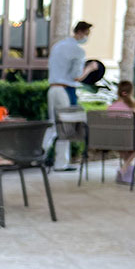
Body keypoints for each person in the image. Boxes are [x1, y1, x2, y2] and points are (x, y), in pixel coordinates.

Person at [44, 20, 95, 171]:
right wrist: (90, 68)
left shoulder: (58, 46)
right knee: (65, 128)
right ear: (80, 32)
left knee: (53, 125)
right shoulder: (78, 51)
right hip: (65, 91)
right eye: (86, 34)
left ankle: (38, 156)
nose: (86, 37)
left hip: (52, 89)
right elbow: (76, 76)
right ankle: (61, 164)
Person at [108, 80, 135, 184]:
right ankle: (124, 168)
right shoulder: (132, 107)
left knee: (126, 150)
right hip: (127, 140)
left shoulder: (111, 107)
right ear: (131, 92)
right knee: (131, 146)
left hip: (113, 141)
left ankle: (126, 175)